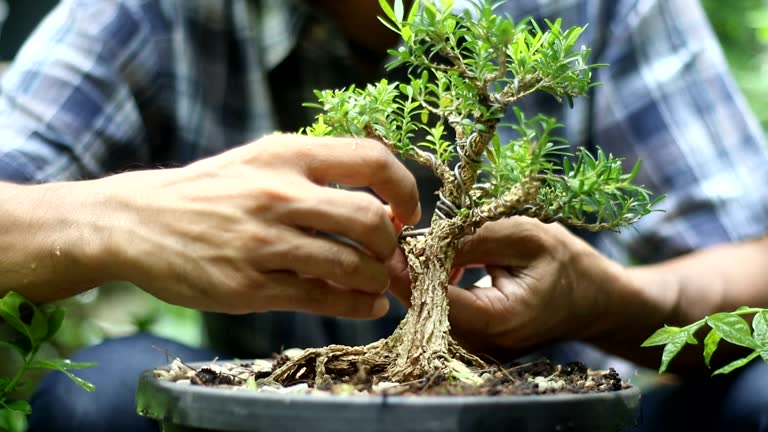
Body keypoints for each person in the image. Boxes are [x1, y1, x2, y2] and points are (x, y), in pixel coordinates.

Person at [0, 0, 766, 431]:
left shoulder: (603, 9)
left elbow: (753, 255)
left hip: (542, 425)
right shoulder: (150, 12)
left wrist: (620, 303)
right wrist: (113, 217)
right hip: (258, 431)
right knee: (98, 390)